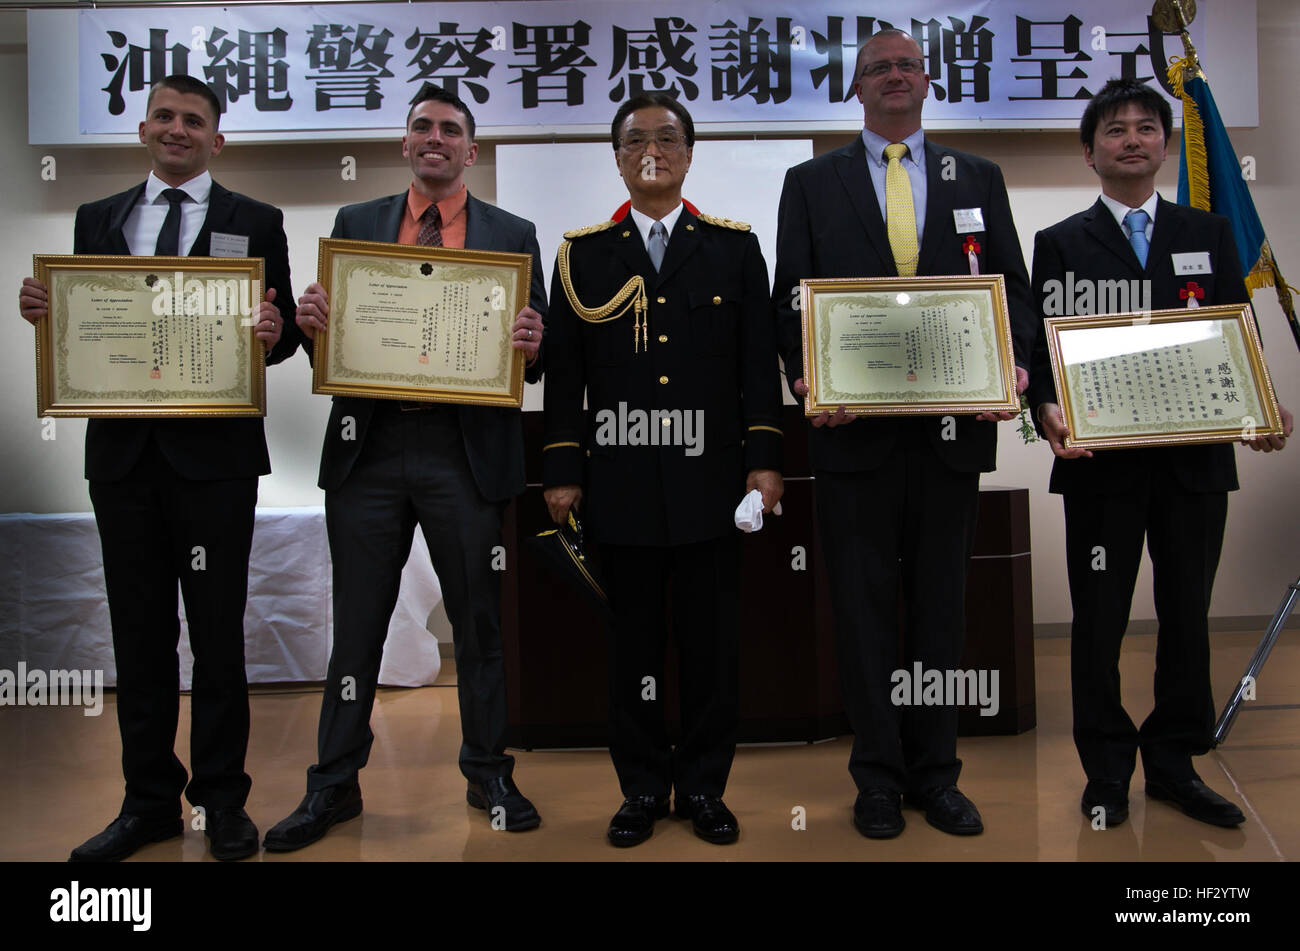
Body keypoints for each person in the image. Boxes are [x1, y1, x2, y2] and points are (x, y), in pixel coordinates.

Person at [17, 74, 300, 861]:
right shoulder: (96, 217)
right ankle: (147, 802)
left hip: (216, 462)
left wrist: (275, 330)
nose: (178, 130)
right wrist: (47, 312)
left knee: (217, 638)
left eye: (194, 121)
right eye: (165, 117)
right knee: (139, 638)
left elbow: (283, 344)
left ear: (219, 138)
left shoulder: (257, 221)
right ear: (145, 128)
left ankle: (220, 801)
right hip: (121, 459)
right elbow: (86, 328)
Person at [263, 84, 546, 851]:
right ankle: (333, 785)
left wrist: (532, 334)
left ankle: (488, 769)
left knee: (479, 624)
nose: (435, 138)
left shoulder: (512, 232)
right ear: (404, 144)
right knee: (355, 626)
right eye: (422, 125)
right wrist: (313, 326)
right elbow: (336, 343)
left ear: (470, 151)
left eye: (451, 129)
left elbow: (538, 350)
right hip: (371, 447)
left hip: (467, 452)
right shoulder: (357, 225)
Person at [771, 29, 1038, 839]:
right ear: (855, 90)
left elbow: (1013, 295)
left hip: (952, 433)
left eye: (907, 65)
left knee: (940, 611)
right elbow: (792, 298)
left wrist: (1014, 368)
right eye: (878, 68)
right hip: (852, 437)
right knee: (861, 611)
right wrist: (806, 376)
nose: (895, 76)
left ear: (929, 83)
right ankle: (877, 778)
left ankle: (937, 773)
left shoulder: (978, 178)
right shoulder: (810, 181)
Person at [1027, 78, 1293, 829]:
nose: (1133, 139)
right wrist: (1044, 404)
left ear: (1165, 147)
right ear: (1090, 152)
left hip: (1194, 464)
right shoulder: (1061, 242)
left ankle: (1175, 762)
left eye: (1148, 127)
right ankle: (1106, 769)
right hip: (1100, 469)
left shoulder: (1209, 234)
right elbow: (1043, 351)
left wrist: (1261, 399)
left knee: (1187, 615)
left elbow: (1238, 331)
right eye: (1116, 130)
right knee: (1099, 620)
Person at [542, 92, 784, 847]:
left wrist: (765, 462)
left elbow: (755, 369)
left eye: (668, 138)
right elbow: (564, 378)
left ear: (688, 153)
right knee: (633, 649)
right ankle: (643, 788)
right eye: (636, 139)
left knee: (713, 648)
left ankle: (706, 787)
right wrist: (561, 468)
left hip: (712, 484)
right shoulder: (580, 253)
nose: (653, 150)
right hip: (619, 483)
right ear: (617, 157)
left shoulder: (732, 247)